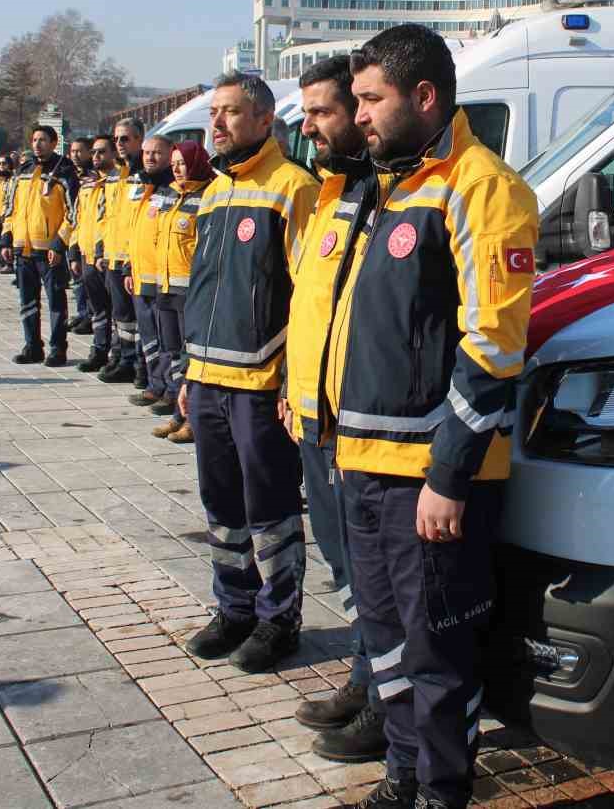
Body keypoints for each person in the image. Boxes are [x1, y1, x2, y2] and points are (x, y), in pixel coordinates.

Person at [321, 26, 536, 809]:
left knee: (438, 656)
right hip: (365, 466)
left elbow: (494, 347)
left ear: (424, 97)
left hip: (429, 482)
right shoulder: (392, 185)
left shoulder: (482, 187)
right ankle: (403, 778)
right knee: (385, 645)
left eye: (371, 99)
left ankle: (442, 793)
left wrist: (449, 475)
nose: (359, 115)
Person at [177, 72, 318, 673]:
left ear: (264, 120)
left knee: (270, 508)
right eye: (215, 112)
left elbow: (310, 295)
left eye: (231, 112)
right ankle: (233, 608)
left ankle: (278, 619)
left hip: (261, 385)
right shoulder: (214, 192)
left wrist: (292, 378)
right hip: (209, 378)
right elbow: (204, 289)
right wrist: (189, 373)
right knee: (221, 505)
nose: (217, 122)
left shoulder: (294, 188)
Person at [282, 55, 388, 762]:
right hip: (313, 417)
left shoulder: (390, 194)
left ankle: (386, 698)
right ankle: (363, 672)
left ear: (358, 112)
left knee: (374, 569)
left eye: (322, 112)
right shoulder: (329, 193)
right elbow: (313, 303)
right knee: (343, 561)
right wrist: (293, 394)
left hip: (363, 425)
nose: (309, 127)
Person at [145, 140, 213, 442]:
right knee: (172, 352)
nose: (176, 169)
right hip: (166, 286)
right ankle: (177, 411)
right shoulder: (170, 195)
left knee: (190, 359)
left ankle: (192, 420)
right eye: (173, 164)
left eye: (182, 163)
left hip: (190, 292)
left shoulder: (207, 196)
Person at [0, 125, 79, 366]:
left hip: (49, 251)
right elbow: (10, 209)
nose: (37, 144)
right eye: (34, 140)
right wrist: (7, 239)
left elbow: (74, 213)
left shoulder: (64, 171)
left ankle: (58, 348)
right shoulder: (22, 171)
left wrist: (59, 243)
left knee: (56, 301)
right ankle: (32, 346)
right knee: (27, 301)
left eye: (43, 140)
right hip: (23, 249)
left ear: (54, 143)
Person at [123, 135, 174, 405]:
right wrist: (128, 268)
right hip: (140, 275)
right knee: (149, 337)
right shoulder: (142, 187)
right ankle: (155, 384)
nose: (150, 158)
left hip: (163, 279)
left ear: (170, 155)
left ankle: (171, 390)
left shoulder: (174, 189)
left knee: (168, 338)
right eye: (146, 153)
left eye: (157, 153)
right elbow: (134, 231)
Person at [97, 119, 145, 383]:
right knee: (121, 315)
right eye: (116, 139)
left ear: (139, 139)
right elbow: (106, 216)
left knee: (138, 317)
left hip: (134, 257)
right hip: (113, 255)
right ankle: (124, 358)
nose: (119, 144)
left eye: (125, 138)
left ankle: (139, 364)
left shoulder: (144, 174)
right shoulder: (114, 176)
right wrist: (101, 249)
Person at [72, 135, 118, 372]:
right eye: (94, 152)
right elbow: (77, 219)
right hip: (87, 255)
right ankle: (99, 351)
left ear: (113, 154)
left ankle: (119, 356)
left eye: (102, 152)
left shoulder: (120, 183)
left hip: (110, 256)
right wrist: (73, 252)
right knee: (97, 308)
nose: (96, 156)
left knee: (118, 312)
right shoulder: (87, 185)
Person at [68, 137, 96, 331]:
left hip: (88, 233)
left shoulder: (94, 175)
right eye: (72, 151)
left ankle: (91, 315)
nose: (75, 155)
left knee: (87, 279)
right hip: (73, 230)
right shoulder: (71, 174)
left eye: (79, 151)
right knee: (77, 277)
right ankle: (82, 312)